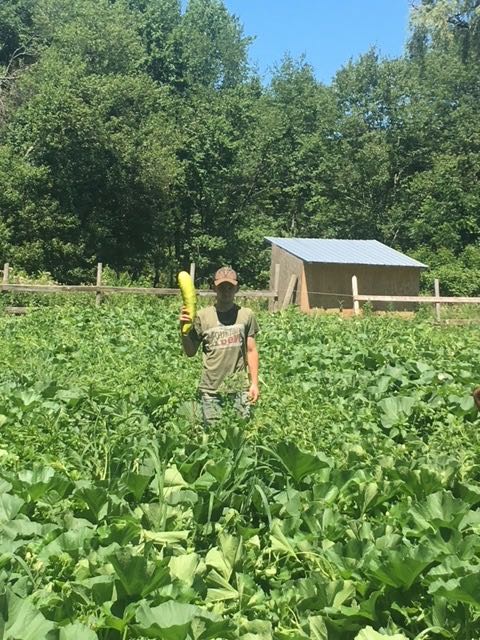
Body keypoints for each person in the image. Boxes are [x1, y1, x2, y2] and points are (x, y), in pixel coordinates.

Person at [179, 266, 259, 426]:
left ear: (237, 288)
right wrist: (183, 330)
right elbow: (190, 352)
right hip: (211, 390)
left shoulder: (246, 315)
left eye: (230, 286)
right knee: (213, 439)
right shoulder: (202, 316)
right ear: (213, 287)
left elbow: (251, 350)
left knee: (239, 435)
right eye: (222, 286)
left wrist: (254, 383)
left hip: (238, 388)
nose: (226, 290)